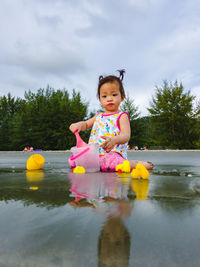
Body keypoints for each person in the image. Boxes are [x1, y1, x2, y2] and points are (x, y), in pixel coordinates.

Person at [69, 69, 153, 171]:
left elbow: (126, 136)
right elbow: (86, 124)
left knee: (112, 164)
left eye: (114, 95)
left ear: (122, 97)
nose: (109, 99)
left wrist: (114, 140)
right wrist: (78, 125)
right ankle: (100, 164)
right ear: (100, 100)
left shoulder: (121, 116)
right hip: (94, 154)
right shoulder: (98, 116)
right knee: (74, 161)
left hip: (113, 153)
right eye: (104, 96)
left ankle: (134, 164)